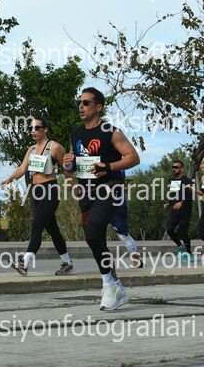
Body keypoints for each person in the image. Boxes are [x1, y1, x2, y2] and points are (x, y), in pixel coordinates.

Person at [63, 87, 140, 311]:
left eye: (86, 102)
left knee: (94, 233)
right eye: (79, 102)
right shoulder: (76, 133)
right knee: (93, 239)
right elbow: (75, 163)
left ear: (98, 107)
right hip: (86, 192)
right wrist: (69, 163)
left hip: (109, 188)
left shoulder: (111, 132)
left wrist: (108, 166)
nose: (81, 106)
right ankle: (116, 285)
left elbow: (133, 157)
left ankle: (108, 285)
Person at [1, 117, 74, 276]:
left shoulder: (55, 147)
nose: (32, 131)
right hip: (35, 191)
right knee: (53, 230)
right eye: (31, 128)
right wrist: (9, 179)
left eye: (36, 128)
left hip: (50, 190)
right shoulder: (31, 149)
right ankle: (67, 262)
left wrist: (74, 186)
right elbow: (22, 169)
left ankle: (24, 263)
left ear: (45, 129)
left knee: (36, 226)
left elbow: (66, 170)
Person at [163, 160, 193, 261]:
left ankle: (189, 253)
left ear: (182, 169)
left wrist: (182, 202)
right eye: (173, 167)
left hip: (185, 210)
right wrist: (169, 203)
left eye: (176, 167)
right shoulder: (172, 181)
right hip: (174, 210)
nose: (174, 169)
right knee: (170, 230)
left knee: (182, 231)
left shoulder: (187, 181)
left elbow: (190, 195)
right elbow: (173, 194)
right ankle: (180, 247)